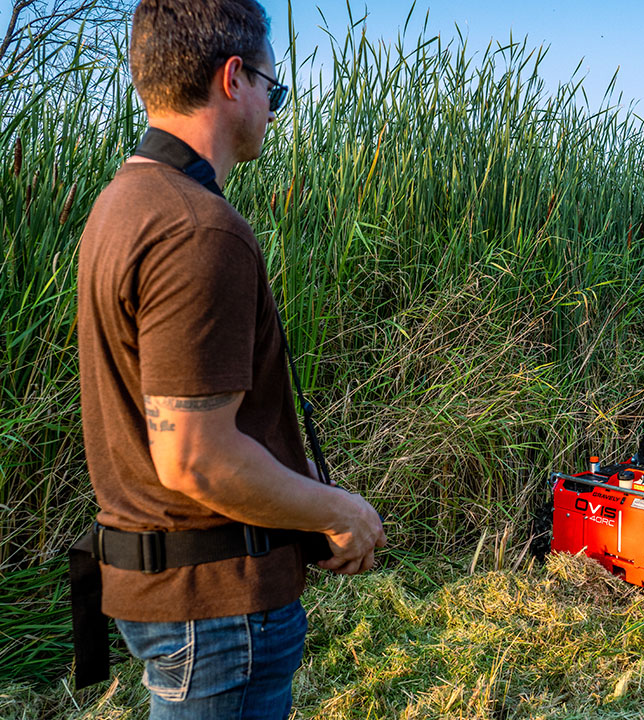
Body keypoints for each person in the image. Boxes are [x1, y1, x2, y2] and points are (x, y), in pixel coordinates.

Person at [74, 1, 386, 717]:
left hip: (168, 592)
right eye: (274, 91)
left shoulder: (123, 202)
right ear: (233, 79)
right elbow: (196, 458)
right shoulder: (196, 228)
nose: (274, 110)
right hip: (215, 615)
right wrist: (338, 507)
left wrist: (298, 497)